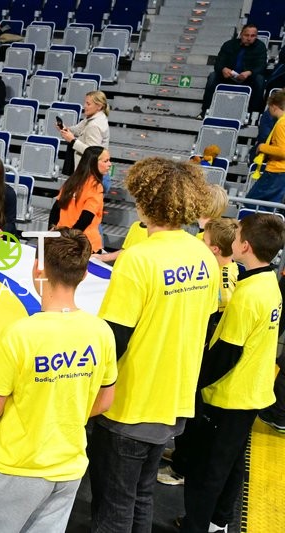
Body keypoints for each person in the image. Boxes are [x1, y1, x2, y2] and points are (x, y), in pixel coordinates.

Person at [88, 157, 219, 532]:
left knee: (113, 506)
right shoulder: (204, 257)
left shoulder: (138, 259)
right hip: (173, 402)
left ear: (145, 201)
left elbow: (114, 339)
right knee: (142, 496)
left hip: (131, 404)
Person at [0, 228, 117, 532]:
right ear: (85, 274)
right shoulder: (101, 332)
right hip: (68, 466)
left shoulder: (21, 334)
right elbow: (105, 400)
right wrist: (62, 414)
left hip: (16, 465)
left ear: (38, 268)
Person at [180, 214, 285, 533]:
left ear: (245, 246)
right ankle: (219, 522)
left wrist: (194, 384)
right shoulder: (269, 283)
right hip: (253, 391)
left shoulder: (248, 295)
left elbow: (227, 353)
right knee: (232, 463)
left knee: (206, 470)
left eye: (237, 235)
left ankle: (195, 526)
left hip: (229, 396)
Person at [156, 217, 240, 488]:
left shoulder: (221, 281)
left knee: (193, 412)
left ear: (214, 249)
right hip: (201, 352)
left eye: (204, 240)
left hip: (204, 356)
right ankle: (181, 455)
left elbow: (214, 320)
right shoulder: (227, 270)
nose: (199, 243)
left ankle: (182, 468)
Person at [48, 146, 110, 253]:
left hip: (62, 240)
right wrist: (71, 239)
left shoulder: (72, 181)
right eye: (106, 161)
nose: (110, 164)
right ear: (93, 163)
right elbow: (86, 218)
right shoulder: (95, 186)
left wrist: (52, 232)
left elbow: (56, 208)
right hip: (84, 244)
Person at [199, 24, 267, 118]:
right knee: (213, 76)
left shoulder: (260, 47)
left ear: (256, 36)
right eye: (246, 35)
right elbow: (218, 63)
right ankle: (205, 111)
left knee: (260, 80)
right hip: (228, 76)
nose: (249, 38)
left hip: (248, 78)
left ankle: (253, 115)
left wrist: (249, 72)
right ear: (241, 34)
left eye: (253, 36)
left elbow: (262, 66)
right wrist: (223, 69)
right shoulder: (229, 44)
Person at [246, 90, 285, 205]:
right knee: (271, 207)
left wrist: (262, 147)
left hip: (276, 171)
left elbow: (283, 151)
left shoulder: (281, 124)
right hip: (280, 173)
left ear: (274, 107)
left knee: (250, 203)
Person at [59, 90, 110, 170]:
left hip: (88, 169)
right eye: (85, 103)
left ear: (99, 106)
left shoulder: (94, 125)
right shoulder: (93, 117)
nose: (84, 106)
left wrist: (72, 140)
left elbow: (92, 153)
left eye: (88, 104)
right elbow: (78, 129)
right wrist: (65, 128)